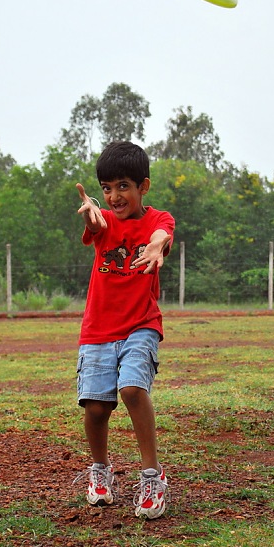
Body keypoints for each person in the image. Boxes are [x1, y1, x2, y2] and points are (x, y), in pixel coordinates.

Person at [74, 141, 175, 519]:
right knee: (97, 408)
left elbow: (161, 234)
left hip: (141, 324)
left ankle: (152, 476)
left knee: (132, 388)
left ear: (143, 186)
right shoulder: (104, 223)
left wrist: (156, 246)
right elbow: (97, 223)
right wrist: (92, 215)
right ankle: (100, 472)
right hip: (98, 328)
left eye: (123, 186)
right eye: (106, 188)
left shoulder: (158, 219)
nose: (114, 196)